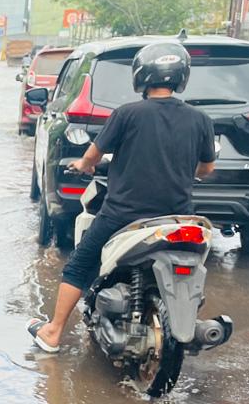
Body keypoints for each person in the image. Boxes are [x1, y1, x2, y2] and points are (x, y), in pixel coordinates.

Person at [29, 40, 216, 352]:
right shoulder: (200, 120)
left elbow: (92, 155)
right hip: (178, 217)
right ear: (182, 76)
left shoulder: (127, 114)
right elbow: (207, 168)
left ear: (141, 76)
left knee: (78, 266)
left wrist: (83, 165)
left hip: (124, 215)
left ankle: (53, 332)